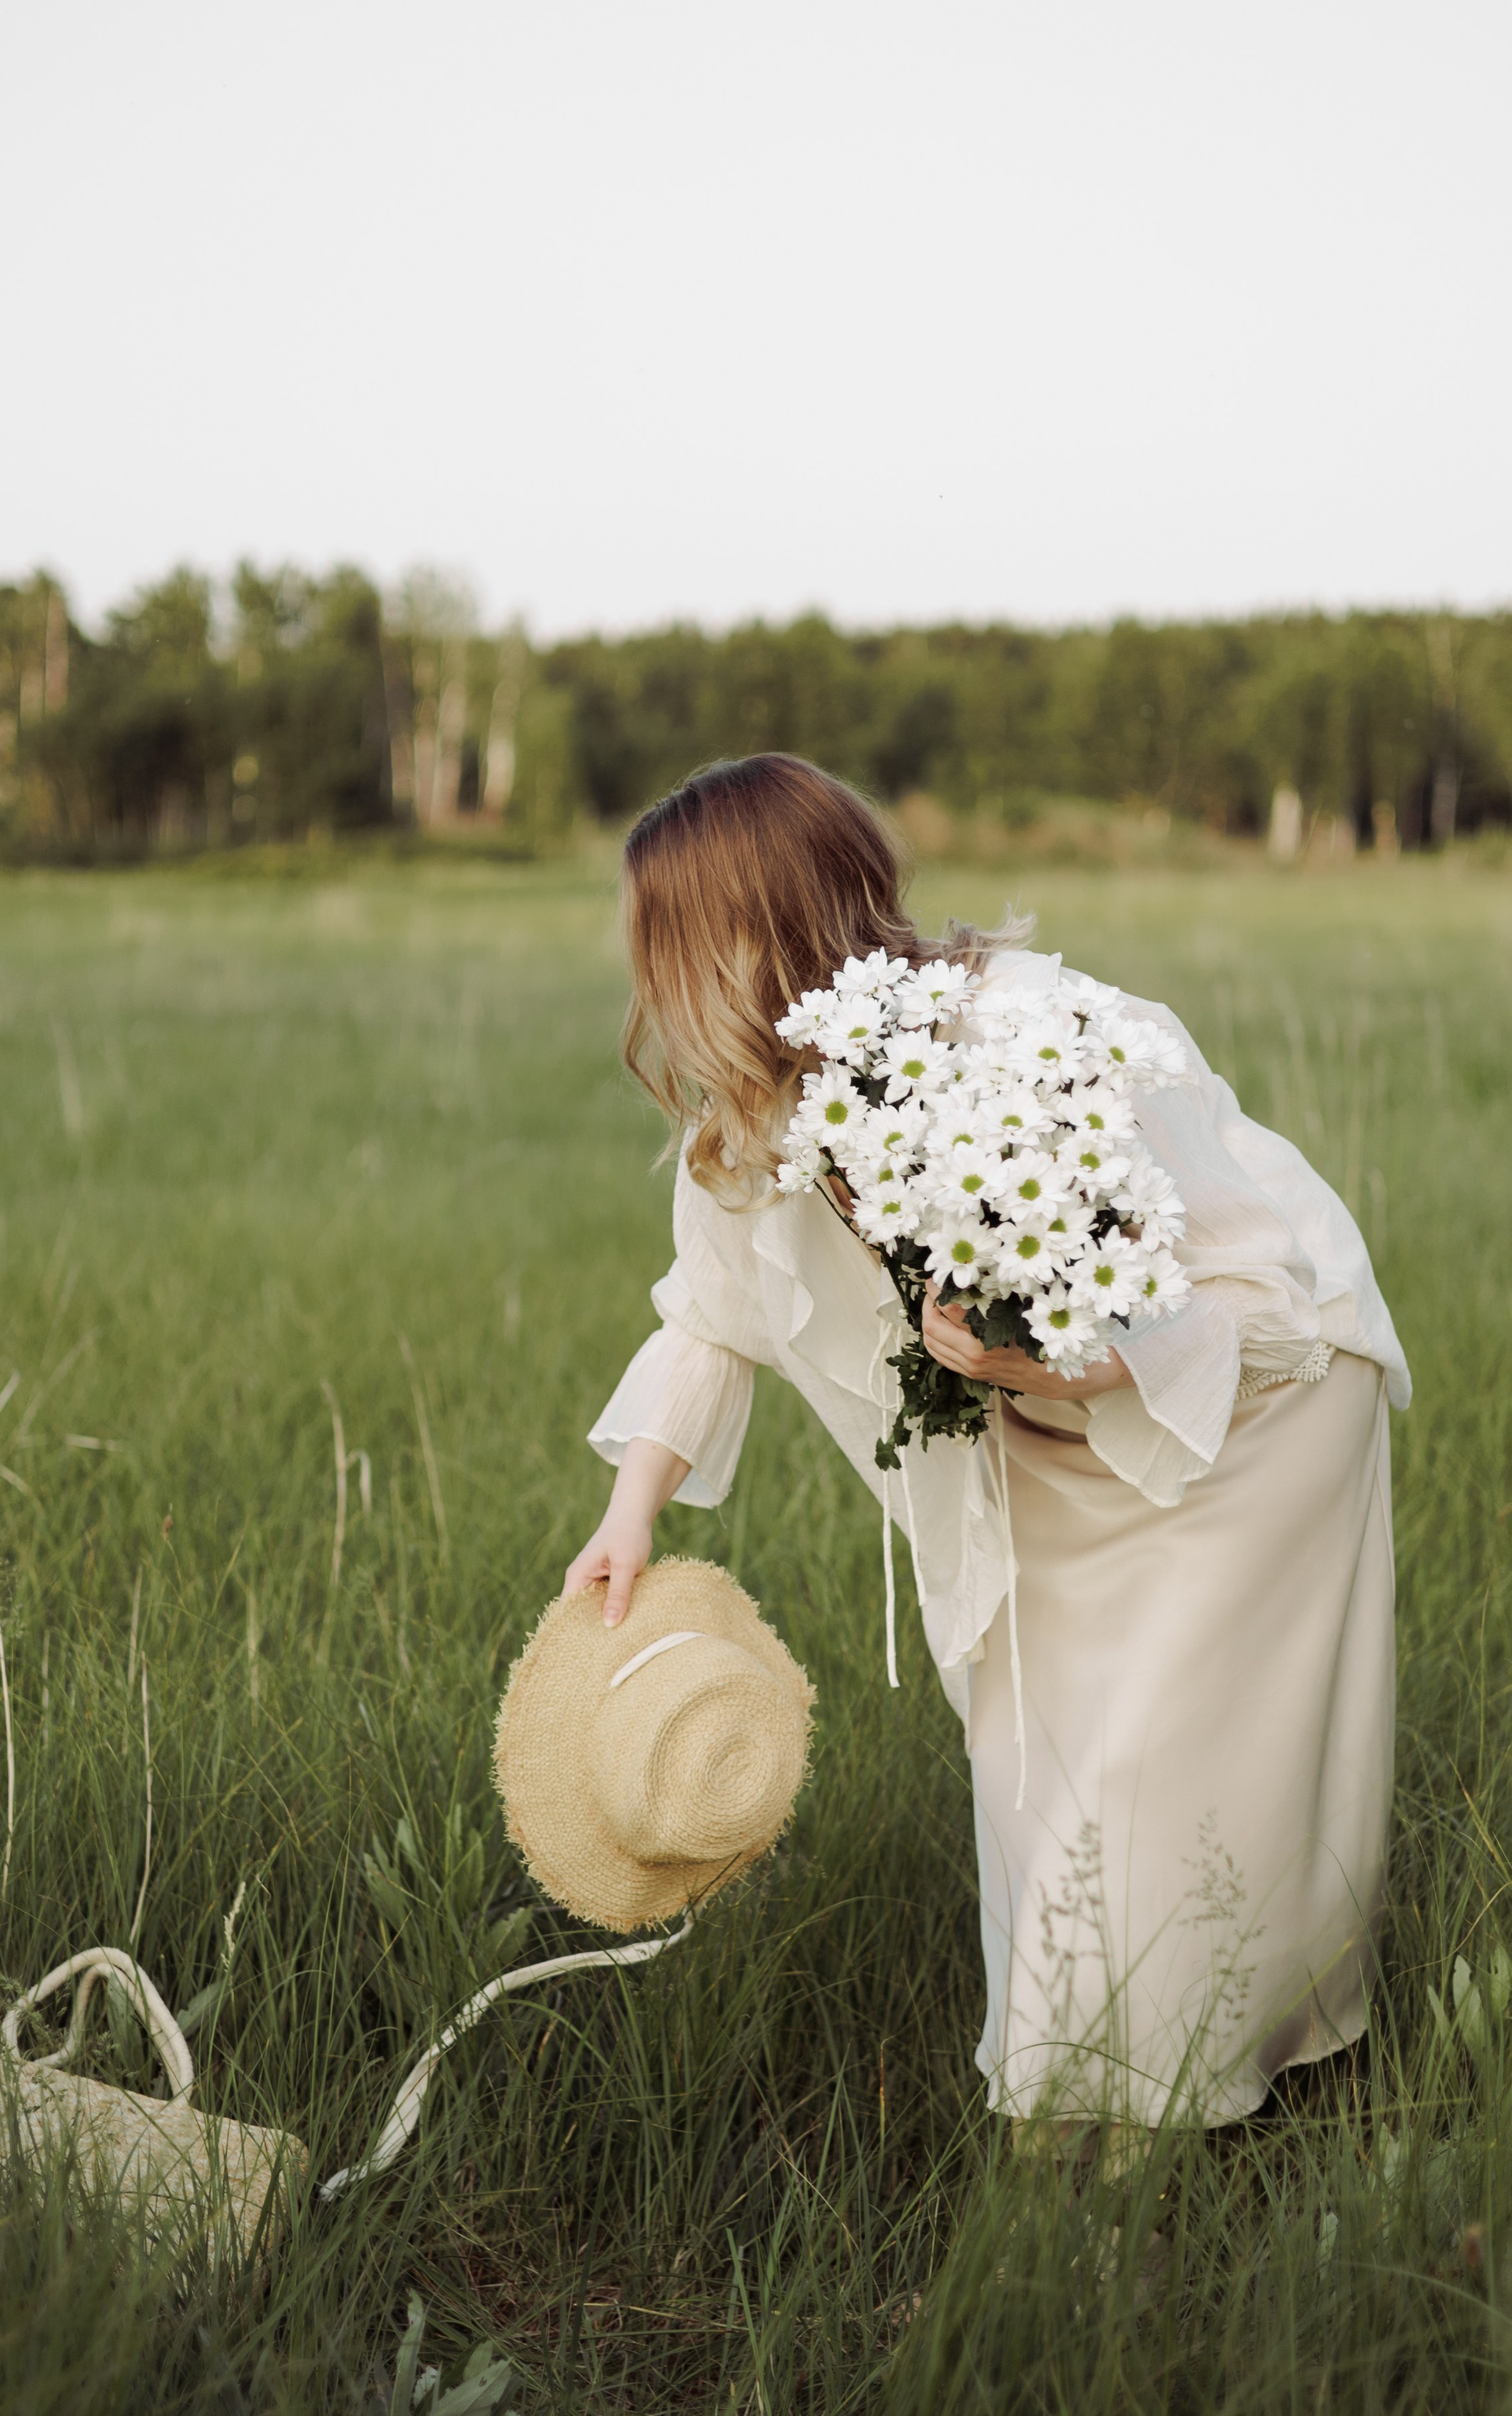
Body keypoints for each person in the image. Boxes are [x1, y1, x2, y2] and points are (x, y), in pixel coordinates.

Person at [563, 754, 1409, 2143]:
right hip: (1037, 1453)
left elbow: (1248, 1283)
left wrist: (1068, 1359)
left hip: (1249, 1410)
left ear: (757, 927)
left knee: (1170, 1771)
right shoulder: (751, 1126)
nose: (651, 983)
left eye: (668, 942)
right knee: (1047, 1771)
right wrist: (629, 1512)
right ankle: (1071, 2100)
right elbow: (705, 1321)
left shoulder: (1029, 1033)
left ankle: (1175, 2098)